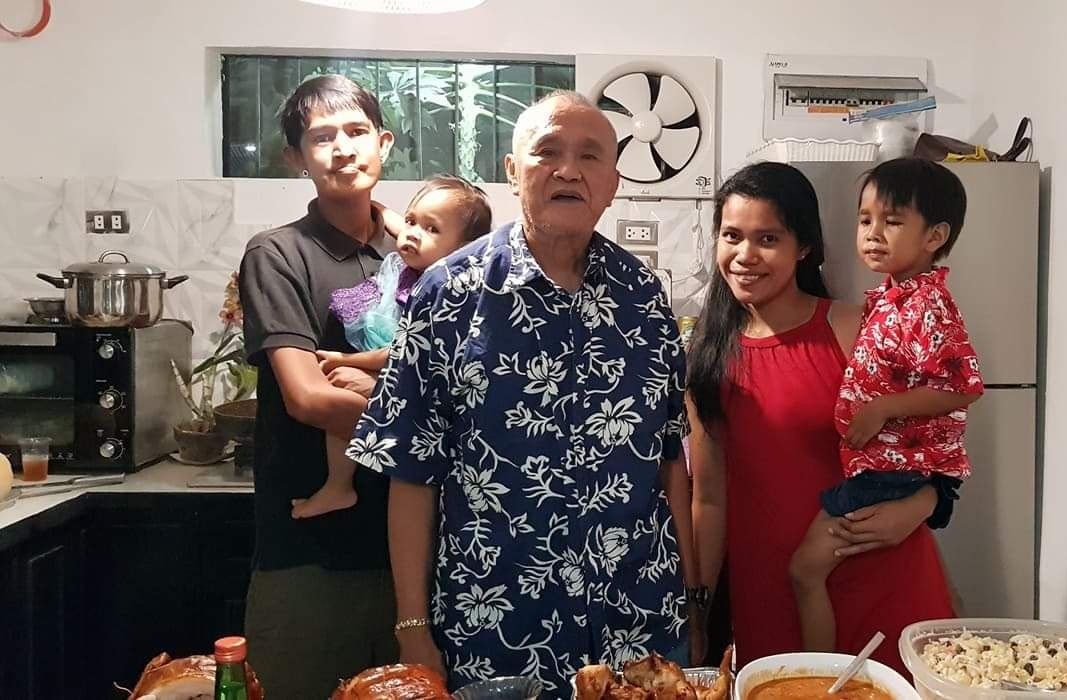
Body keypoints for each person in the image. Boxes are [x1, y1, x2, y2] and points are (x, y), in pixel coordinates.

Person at [347, 90, 701, 696]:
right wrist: (412, 626)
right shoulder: (448, 293)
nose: (568, 170)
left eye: (590, 156)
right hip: (498, 629)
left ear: (613, 181)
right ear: (514, 172)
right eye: (547, 152)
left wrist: (692, 601)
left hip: (640, 624)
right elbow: (410, 472)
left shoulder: (643, 297)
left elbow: (670, 462)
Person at [688, 161, 955, 673]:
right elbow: (709, 495)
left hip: (878, 565)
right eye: (731, 236)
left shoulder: (855, 327)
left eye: (767, 238)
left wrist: (923, 503)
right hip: (770, 585)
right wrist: (698, 603)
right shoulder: (709, 352)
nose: (745, 256)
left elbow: (930, 439)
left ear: (803, 246)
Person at [237, 74, 398, 699]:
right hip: (308, 557)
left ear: (382, 143)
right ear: (295, 158)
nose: (342, 148)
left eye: (356, 132)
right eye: (320, 137)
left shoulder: (417, 251)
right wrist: (431, 424)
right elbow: (307, 399)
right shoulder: (278, 254)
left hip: (418, 552)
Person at [790, 157, 983, 652]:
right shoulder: (893, 297)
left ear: (934, 237)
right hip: (882, 468)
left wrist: (882, 409)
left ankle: (819, 676)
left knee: (805, 569)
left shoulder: (927, 304)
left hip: (891, 473)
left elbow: (964, 385)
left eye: (892, 221)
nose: (873, 233)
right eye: (865, 219)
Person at [292, 174, 493, 519]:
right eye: (412, 220)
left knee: (342, 384)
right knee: (341, 393)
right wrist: (380, 209)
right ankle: (339, 485)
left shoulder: (446, 291)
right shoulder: (418, 263)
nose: (412, 232)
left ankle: (339, 486)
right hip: (403, 370)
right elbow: (409, 228)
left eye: (431, 229)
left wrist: (349, 359)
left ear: (463, 250)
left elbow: (402, 352)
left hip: (427, 388)